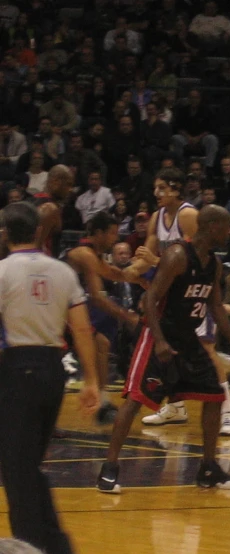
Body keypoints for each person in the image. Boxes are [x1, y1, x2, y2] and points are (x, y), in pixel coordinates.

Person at [97, 206, 230, 493]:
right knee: (134, 399)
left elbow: (215, 305)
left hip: (187, 338)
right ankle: (109, 469)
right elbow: (150, 299)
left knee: (215, 395)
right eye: (226, 226)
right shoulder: (178, 255)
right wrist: (161, 340)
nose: (229, 232)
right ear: (211, 226)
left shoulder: (213, 264)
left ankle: (208, 468)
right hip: (158, 337)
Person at [0, 202, 99, 553]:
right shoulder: (63, 272)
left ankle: (33, 546)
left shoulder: (2, 271)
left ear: (5, 234)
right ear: (38, 232)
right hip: (53, 370)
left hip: (16, 368)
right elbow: (83, 328)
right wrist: (91, 381)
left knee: (16, 469)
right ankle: (55, 544)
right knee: (26, 463)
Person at [135, 168, 230, 436]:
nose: (156, 193)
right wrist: (119, 272)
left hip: (195, 290)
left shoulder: (189, 215)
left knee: (207, 349)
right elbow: (145, 257)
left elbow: (199, 257)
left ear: (176, 189)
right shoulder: (157, 216)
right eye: (156, 188)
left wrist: (157, 263)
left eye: (162, 188)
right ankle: (176, 406)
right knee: (174, 350)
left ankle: (227, 413)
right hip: (174, 297)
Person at [63, 212, 146, 424]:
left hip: (67, 309)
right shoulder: (84, 253)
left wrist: (142, 281)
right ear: (98, 233)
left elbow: (113, 273)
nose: (114, 238)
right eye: (111, 233)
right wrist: (127, 316)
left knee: (101, 343)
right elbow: (98, 297)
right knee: (97, 345)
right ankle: (100, 402)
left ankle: (102, 402)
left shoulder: (94, 255)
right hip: (57, 310)